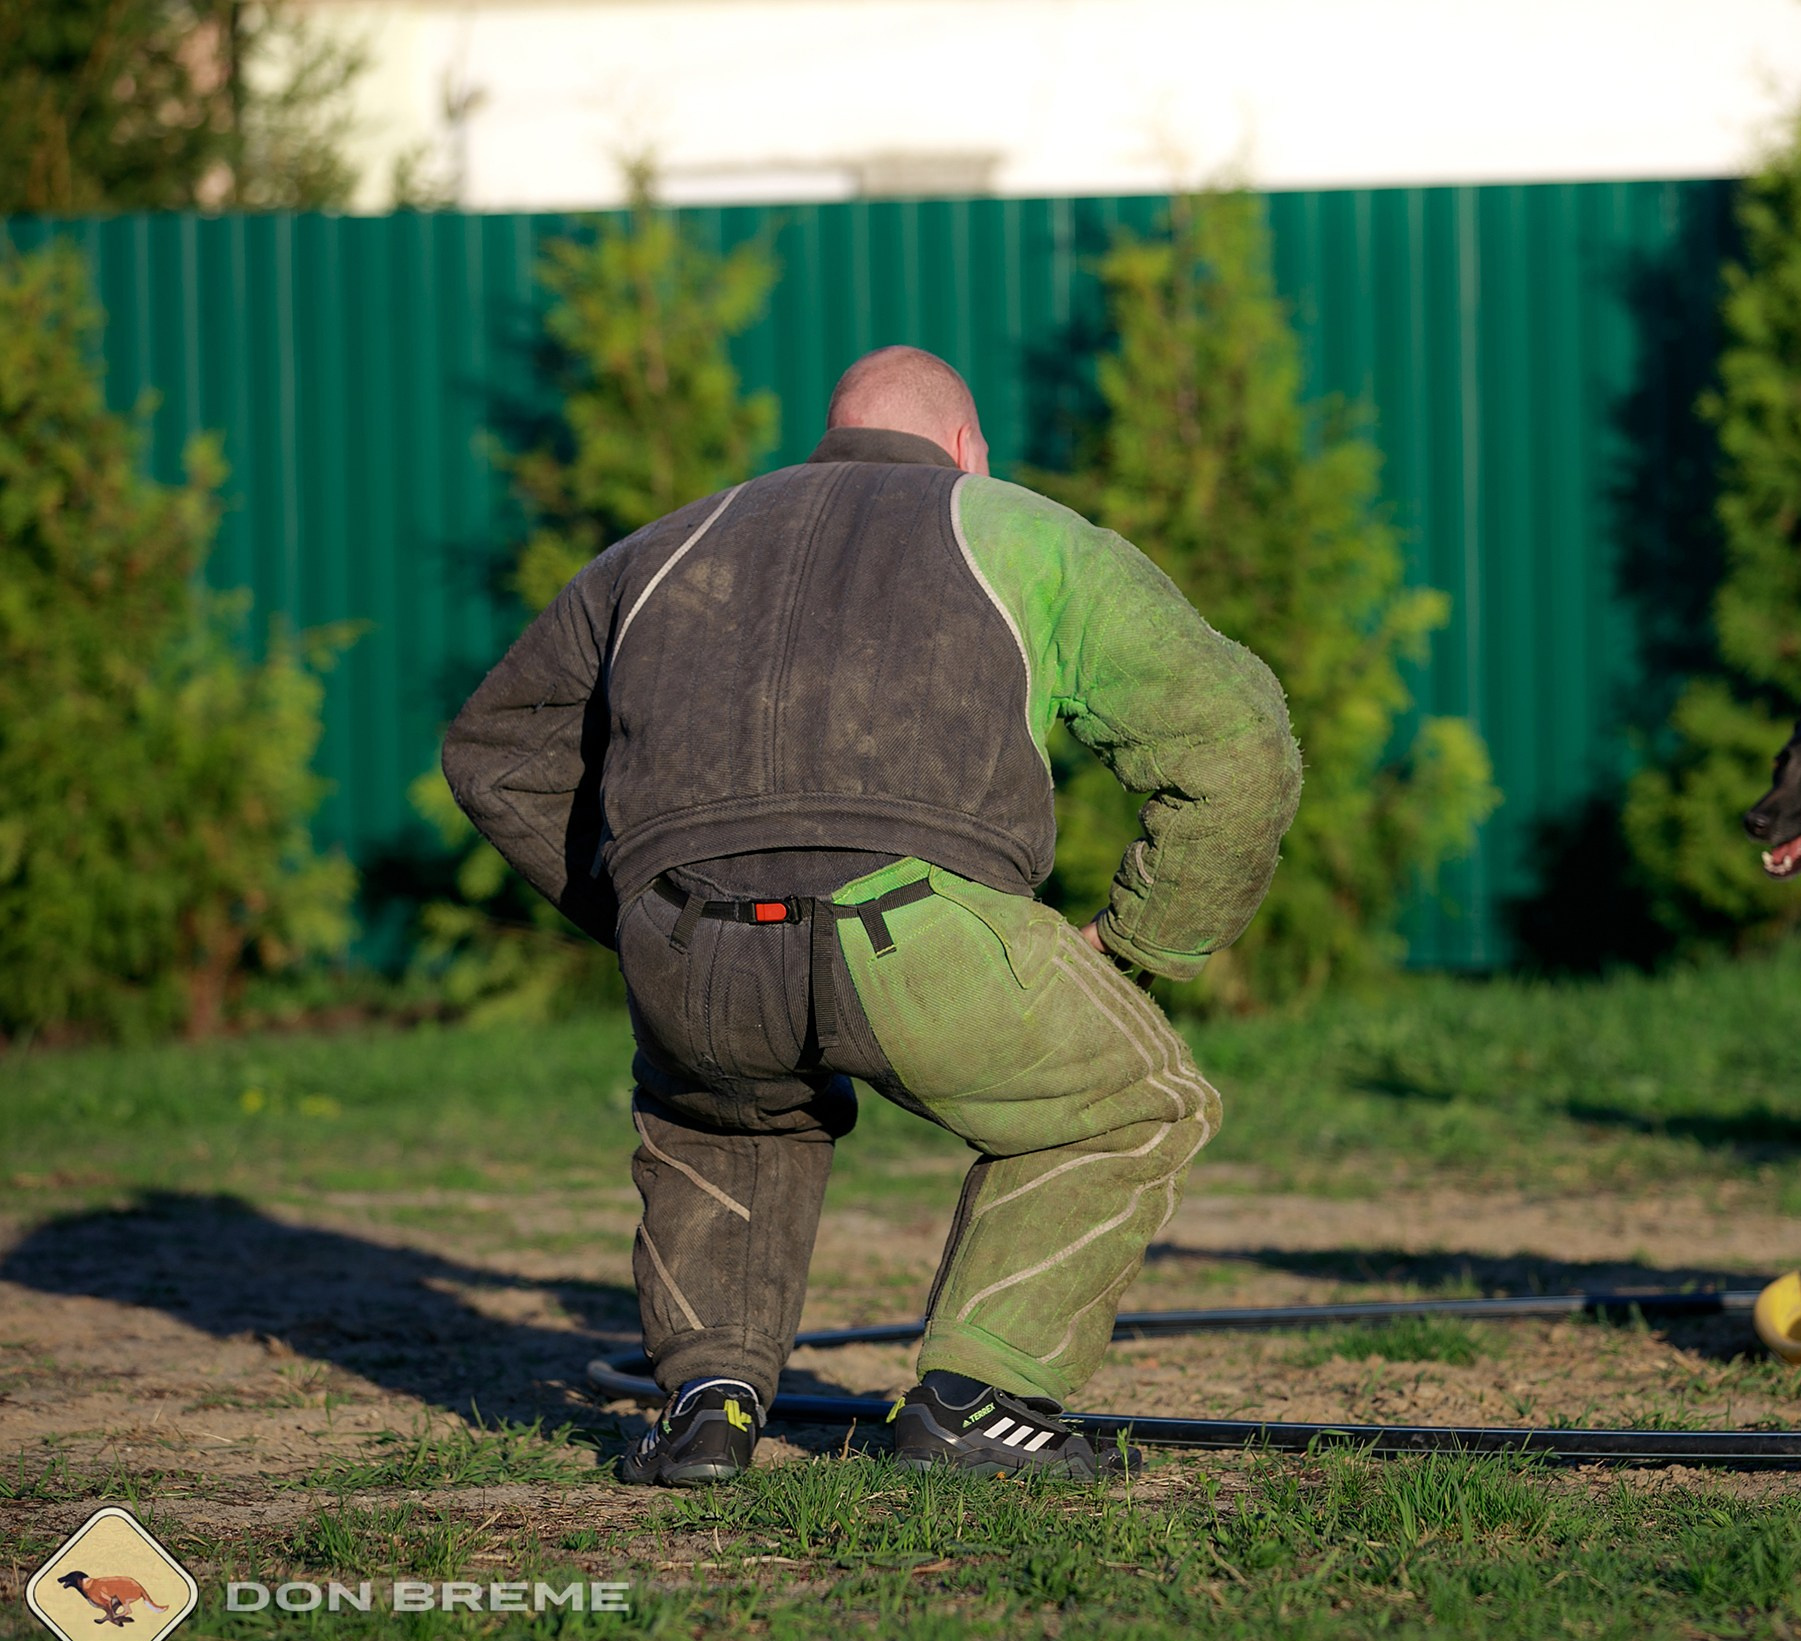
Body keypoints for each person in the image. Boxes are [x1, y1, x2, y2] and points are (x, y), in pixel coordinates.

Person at [444, 346, 1301, 1486]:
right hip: (915, 931)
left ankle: (708, 1405)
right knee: (1131, 1107)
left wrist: (633, 908)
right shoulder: (1017, 531)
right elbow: (1240, 743)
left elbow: (496, 749)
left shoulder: (661, 548)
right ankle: (978, 1398)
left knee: (725, 1126)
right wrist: (1141, 942)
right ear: (967, 450)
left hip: (689, 946)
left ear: (825, 437)